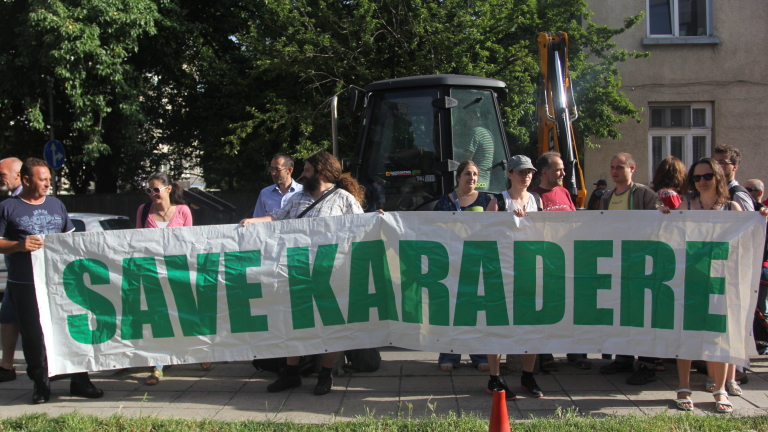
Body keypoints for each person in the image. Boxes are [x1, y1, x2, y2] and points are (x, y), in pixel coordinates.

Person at [240, 151, 367, 396]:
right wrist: (253, 222)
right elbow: (277, 218)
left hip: (331, 273)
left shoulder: (343, 199)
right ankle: (290, 374)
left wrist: (378, 221)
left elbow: (361, 228)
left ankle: (325, 374)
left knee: (330, 324)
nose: (302, 174)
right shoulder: (298, 198)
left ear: (320, 172)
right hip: (297, 271)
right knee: (294, 322)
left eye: (307, 170)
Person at [0, 158, 103, 404]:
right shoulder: (7, 207)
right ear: (26, 180)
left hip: (61, 282)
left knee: (73, 329)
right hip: (26, 285)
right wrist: (19, 245)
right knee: (34, 335)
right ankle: (41, 384)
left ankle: (80, 379)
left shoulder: (56, 205)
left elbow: (70, 240)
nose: (48, 184)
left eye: (50, 179)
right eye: (43, 179)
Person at [658, 158, 741, 413]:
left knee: (718, 335)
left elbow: (746, 241)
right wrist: (663, 216)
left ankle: (719, 389)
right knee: (687, 334)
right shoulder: (686, 205)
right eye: (696, 177)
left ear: (718, 177)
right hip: (688, 278)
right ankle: (684, 387)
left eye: (707, 176)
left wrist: (761, 216)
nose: (702, 182)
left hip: (719, 280)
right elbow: (667, 233)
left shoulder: (732, 208)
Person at [136, 172, 207, 385]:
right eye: (149, 190)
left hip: (179, 272)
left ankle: (202, 352)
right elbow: (139, 242)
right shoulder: (143, 211)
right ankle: (158, 365)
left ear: (167, 189)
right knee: (159, 317)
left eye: (156, 189)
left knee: (187, 314)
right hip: (154, 273)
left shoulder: (183, 211)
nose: (152, 194)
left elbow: (189, 243)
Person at [598, 153, 662, 385]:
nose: (615, 171)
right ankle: (623, 358)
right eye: (612, 167)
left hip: (641, 265)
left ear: (632, 169)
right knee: (621, 312)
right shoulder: (606, 197)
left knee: (643, 315)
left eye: (620, 167)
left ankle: (647, 364)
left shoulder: (645, 194)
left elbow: (658, 224)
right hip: (617, 263)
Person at [486, 155, 543, 400]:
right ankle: (495, 377)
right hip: (502, 272)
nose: (526, 176)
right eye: (520, 172)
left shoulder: (536, 200)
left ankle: (527, 376)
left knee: (532, 325)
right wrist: (510, 223)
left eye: (529, 172)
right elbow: (484, 236)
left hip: (529, 272)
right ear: (509, 174)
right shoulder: (498, 201)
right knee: (498, 326)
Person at [531, 152, 590, 371]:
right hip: (546, 262)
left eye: (563, 169)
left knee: (572, 307)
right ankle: (546, 354)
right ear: (544, 172)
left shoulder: (564, 192)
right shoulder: (533, 196)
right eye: (558, 169)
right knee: (547, 309)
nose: (563, 173)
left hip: (568, 260)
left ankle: (576, 351)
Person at [433, 160, 494, 371]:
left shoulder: (487, 200)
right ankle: (449, 356)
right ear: (458, 177)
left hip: (477, 263)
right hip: (452, 263)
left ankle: (480, 356)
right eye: (468, 174)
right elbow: (434, 230)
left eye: (475, 174)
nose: (472, 178)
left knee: (477, 311)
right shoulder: (445, 202)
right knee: (451, 310)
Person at [0, 157, 23, 382]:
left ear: (18, 175)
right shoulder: (8, 204)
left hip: (30, 276)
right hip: (16, 275)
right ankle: (6, 365)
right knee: (8, 317)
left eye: (2, 175)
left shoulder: (23, 201)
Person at [252, 153, 303, 218]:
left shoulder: (303, 192)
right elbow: (257, 220)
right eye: (272, 168)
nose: (273, 173)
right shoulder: (265, 193)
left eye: (277, 169)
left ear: (289, 170)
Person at [713, 144, 754, 211]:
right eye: (715, 163)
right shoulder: (714, 190)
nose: (717, 166)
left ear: (735, 167)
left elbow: (750, 220)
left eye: (722, 162)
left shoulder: (738, 194)